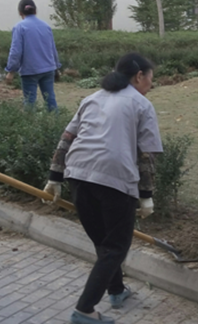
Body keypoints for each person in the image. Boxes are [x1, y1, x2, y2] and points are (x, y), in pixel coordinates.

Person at [44, 53, 163, 324]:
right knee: (115, 247)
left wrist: (55, 177)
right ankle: (84, 310)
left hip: (78, 176)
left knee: (103, 243)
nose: (151, 84)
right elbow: (146, 156)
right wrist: (146, 196)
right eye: (150, 78)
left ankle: (117, 290)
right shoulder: (141, 105)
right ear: (139, 76)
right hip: (114, 179)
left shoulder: (92, 98)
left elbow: (67, 138)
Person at [5, 0, 61, 111]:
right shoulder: (46, 26)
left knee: (30, 101)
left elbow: (15, 52)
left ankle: (30, 121)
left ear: (20, 12)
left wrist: (11, 71)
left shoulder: (19, 27)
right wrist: (56, 67)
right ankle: (56, 120)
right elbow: (52, 48)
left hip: (29, 70)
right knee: (50, 99)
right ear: (35, 11)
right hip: (48, 69)